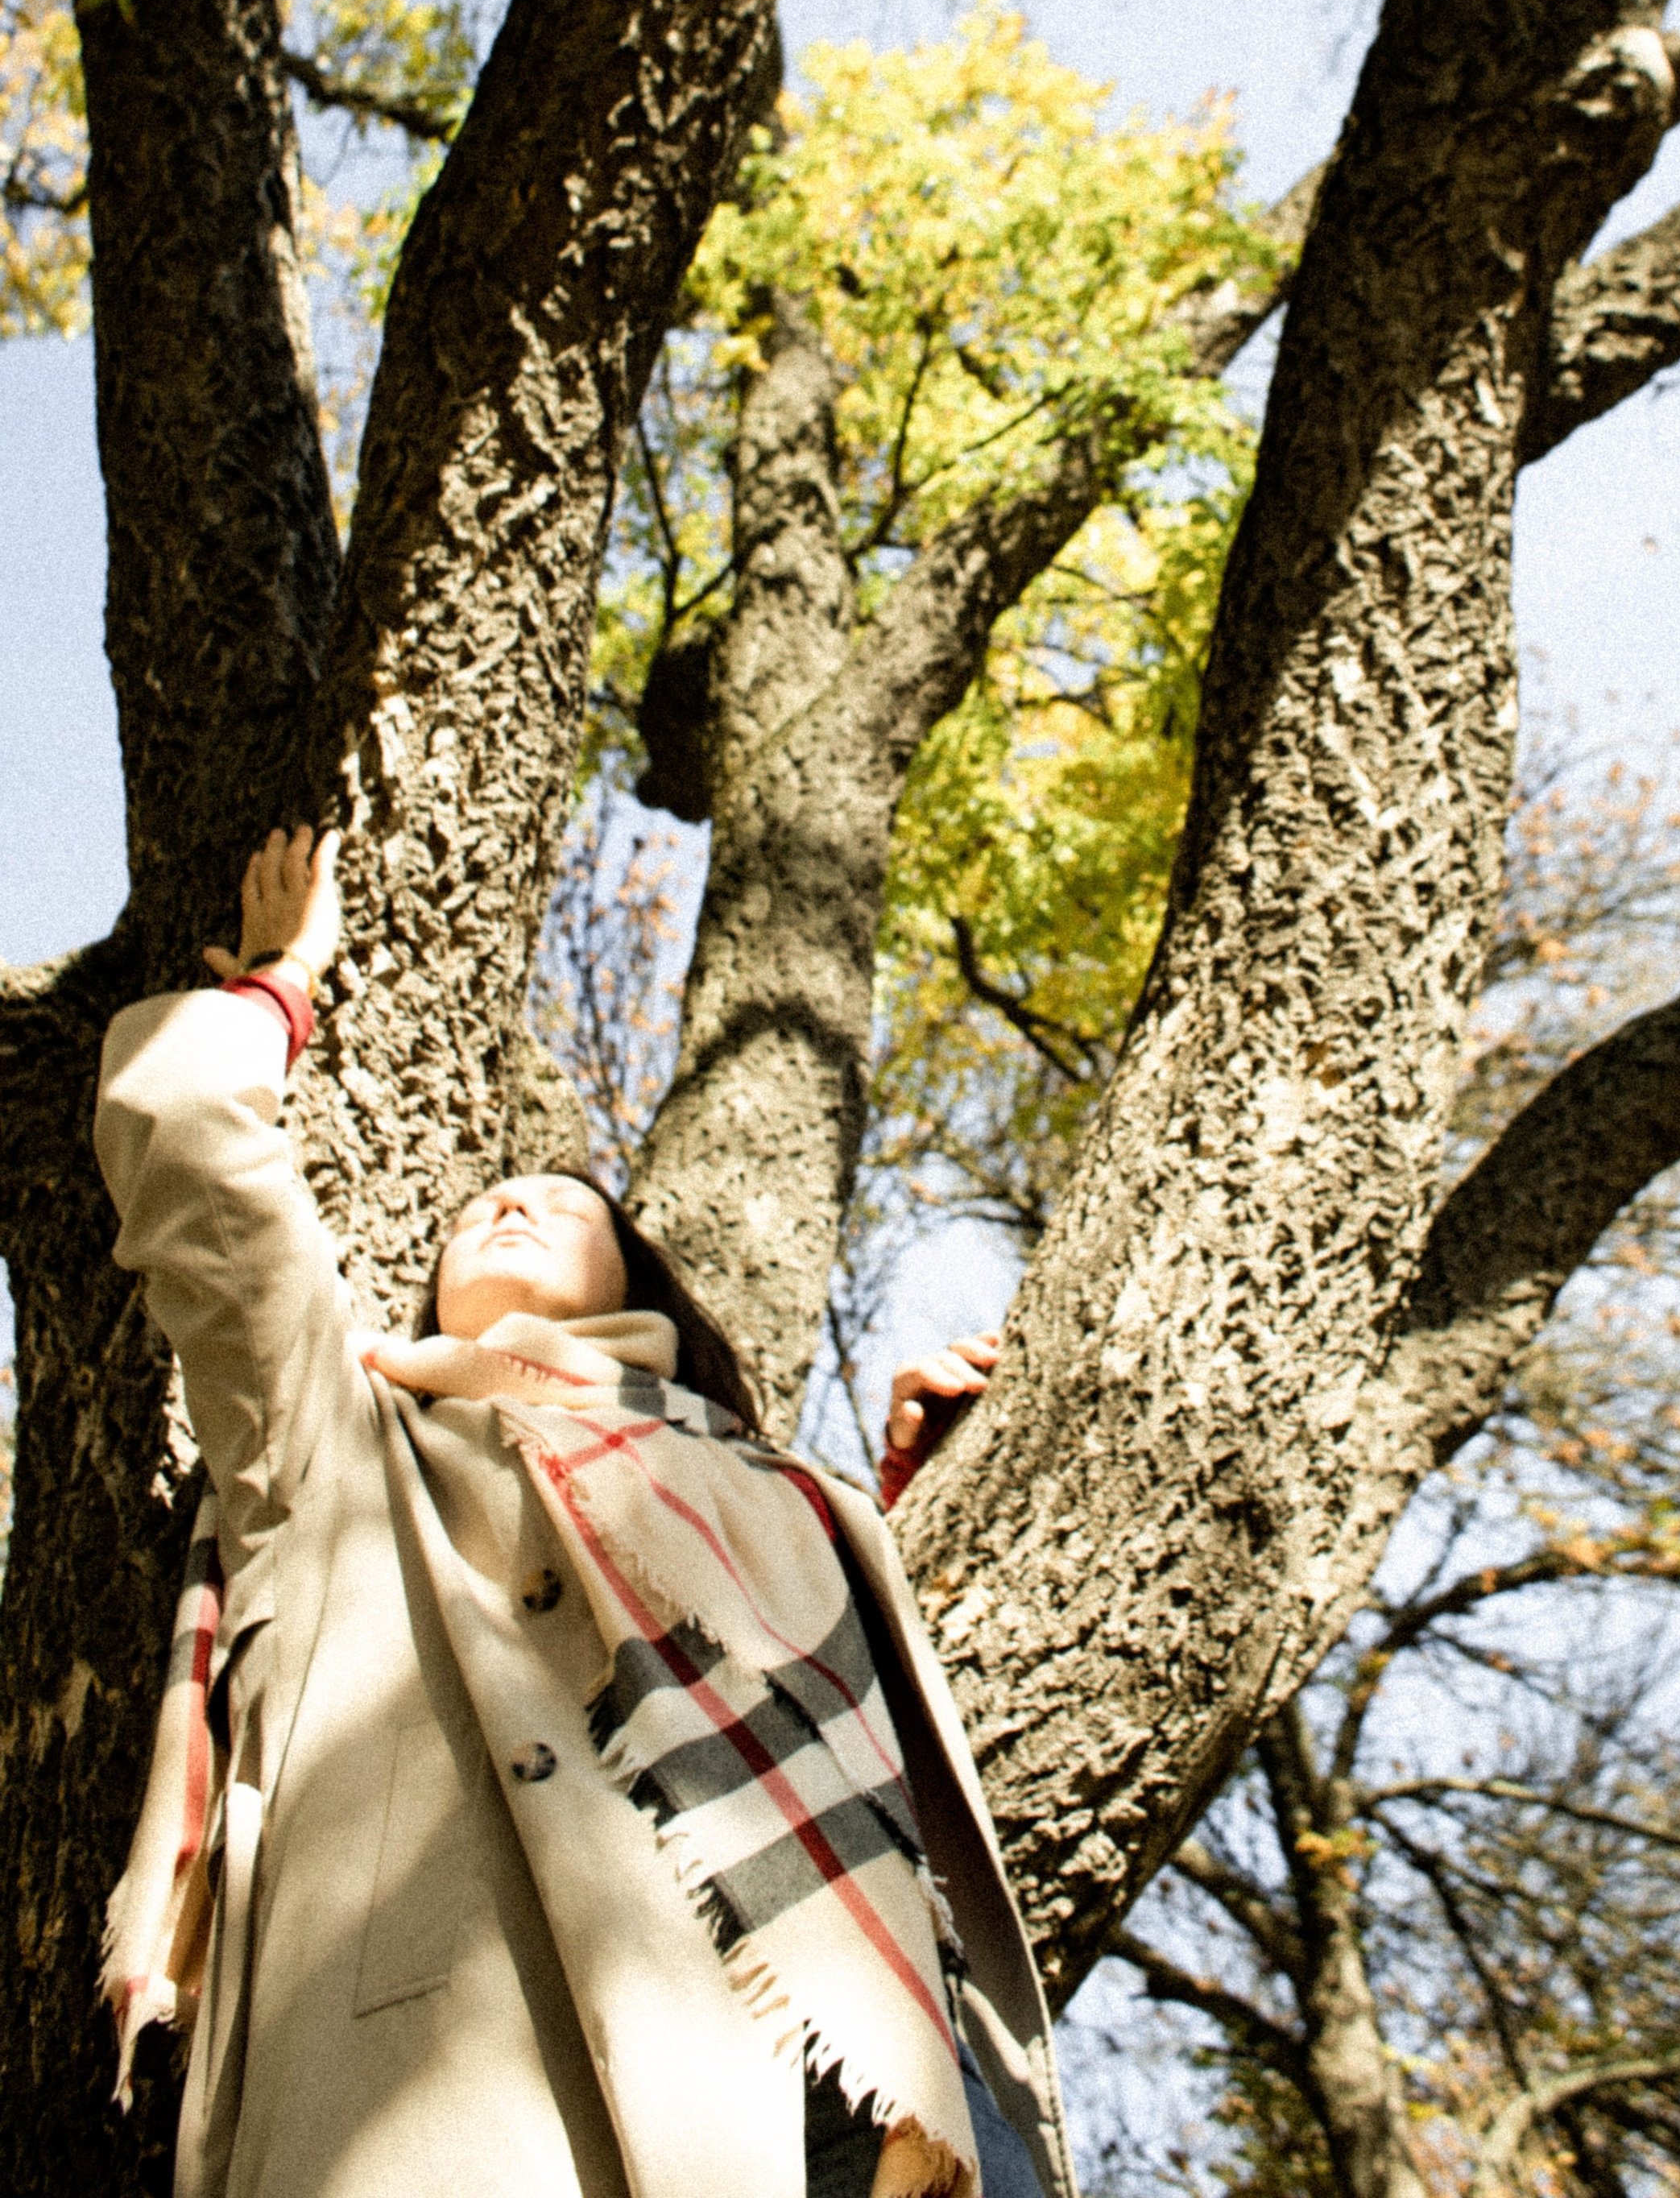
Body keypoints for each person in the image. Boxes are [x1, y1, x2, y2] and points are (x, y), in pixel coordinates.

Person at [96, 825, 1074, 2198]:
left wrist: (902, 1499)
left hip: (870, 2067)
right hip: (480, 2090)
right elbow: (186, 1145)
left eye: (558, 1200)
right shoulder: (340, 1441)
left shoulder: (772, 1490)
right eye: (483, 1203)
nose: (505, 1200)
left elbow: (820, 1730)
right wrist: (277, 983)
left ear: (641, 1277)